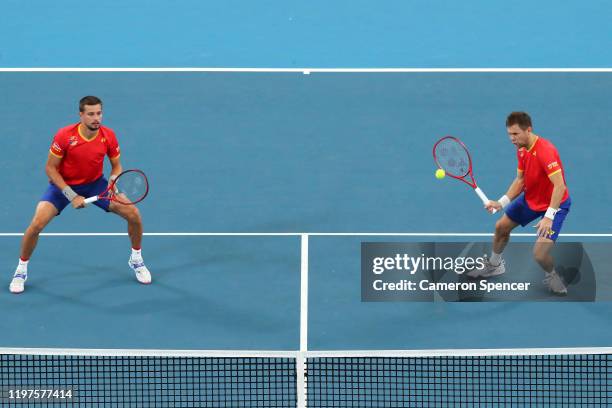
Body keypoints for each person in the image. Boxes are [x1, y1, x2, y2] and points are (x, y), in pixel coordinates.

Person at [9, 96, 151, 294]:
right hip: (62, 187)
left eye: (99, 113)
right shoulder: (65, 136)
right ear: (81, 115)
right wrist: (70, 194)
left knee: (134, 214)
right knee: (36, 225)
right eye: (91, 114)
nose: (96, 118)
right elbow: (50, 168)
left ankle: (136, 258)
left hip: (95, 186)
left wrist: (113, 178)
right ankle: (21, 270)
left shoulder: (108, 135)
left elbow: (116, 165)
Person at [468, 112, 571, 295]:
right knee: (501, 227)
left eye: (515, 134)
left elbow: (560, 186)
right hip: (531, 198)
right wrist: (501, 202)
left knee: (539, 254)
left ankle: (552, 275)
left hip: (555, 204)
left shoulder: (546, 151)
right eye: (509, 134)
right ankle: (494, 265)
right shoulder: (522, 149)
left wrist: (549, 216)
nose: (511, 139)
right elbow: (520, 180)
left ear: (528, 129)